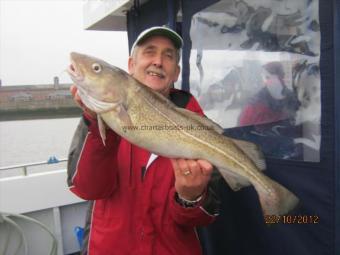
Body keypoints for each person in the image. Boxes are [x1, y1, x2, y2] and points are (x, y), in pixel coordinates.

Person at [67, 26, 220, 255]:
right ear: (130, 65)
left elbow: (206, 216)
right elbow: (86, 188)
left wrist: (190, 198)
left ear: (176, 72)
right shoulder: (100, 116)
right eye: (149, 51)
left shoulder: (199, 129)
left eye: (168, 55)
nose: (158, 61)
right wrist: (94, 121)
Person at [237, 61, 301, 159]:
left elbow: (300, 123)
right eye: (267, 78)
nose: (270, 81)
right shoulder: (255, 103)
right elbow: (242, 132)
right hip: (264, 155)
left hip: (291, 152)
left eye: (271, 77)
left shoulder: (292, 98)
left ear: (281, 77)